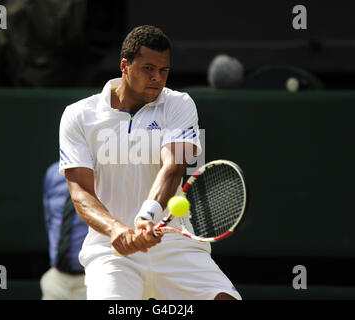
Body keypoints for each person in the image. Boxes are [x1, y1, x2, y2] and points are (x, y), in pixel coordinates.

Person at [59, 25, 241, 300]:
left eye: (163, 70)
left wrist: (147, 215)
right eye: (147, 68)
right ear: (125, 66)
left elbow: (174, 167)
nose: (157, 78)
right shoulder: (78, 116)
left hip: (175, 243)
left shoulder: (179, 104)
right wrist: (117, 230)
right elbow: (81, 193)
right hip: (111, 253)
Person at [40, 162, 88, 300]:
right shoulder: (53, 172)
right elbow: (50, 219)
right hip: (56, 279)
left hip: (93, 279)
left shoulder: (105, 173)